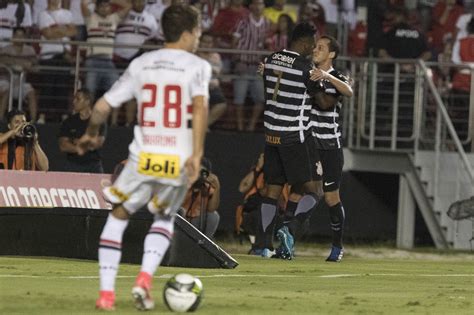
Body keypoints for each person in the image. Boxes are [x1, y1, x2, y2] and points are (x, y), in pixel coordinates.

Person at [76, 4, 211, 311]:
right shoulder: (197, 66)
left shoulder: (142, 63)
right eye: (198, 31)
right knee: (163, 219)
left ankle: (106, 295)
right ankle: (144, 279)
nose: (199, 37)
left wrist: (90, 133)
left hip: (142, 157)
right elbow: (201, 108)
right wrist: (197, 154)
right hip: (176, 159)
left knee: (118, 216)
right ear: (189, 33)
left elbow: (101, 107)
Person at [255, 22, 320, 258]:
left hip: (271, 135)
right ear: (303, 43)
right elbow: (321, 100)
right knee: (312, 191)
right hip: (294, 136)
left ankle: (261, 245)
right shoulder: (305, 67)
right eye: (312, 44)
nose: (313, 48)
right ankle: (288, 229)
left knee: (272, 190)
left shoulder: (271, 59)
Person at [308, 35, 353, 261]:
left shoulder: (336, 77)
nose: (315, 50)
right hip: (308, 143)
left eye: (321, 47)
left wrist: (321, 78)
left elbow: (328, 103)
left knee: (330, 198)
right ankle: (283, 241)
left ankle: (337, 246)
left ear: (332, 54)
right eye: (315, 46)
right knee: (300, 191)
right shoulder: (306, 72)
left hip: (329, 146)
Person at [232, 0, 270, 131]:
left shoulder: (267, 23)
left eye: (261, 3)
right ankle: (240, 127)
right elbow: (234, 41)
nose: (259, 6)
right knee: (239, 99)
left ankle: (251, 126)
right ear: (251, 6)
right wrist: (236, 60)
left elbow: (267, 43)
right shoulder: (243, 21)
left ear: (264, 6)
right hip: (243, 64)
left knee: (260, 97)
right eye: (256, 3)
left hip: (257, 65)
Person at [81, 0, 131, 101]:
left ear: (110, 8)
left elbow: (128, 5)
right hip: (92, 61)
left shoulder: (114, 18)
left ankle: (111, 117)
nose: (104, 8)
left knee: (117, 90)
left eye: (107, 6)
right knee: (89, 93)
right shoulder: (91, 18)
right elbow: (83, 3)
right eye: (101, 6)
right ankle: (86, 117)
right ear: (96, 7)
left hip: (108, 61)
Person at [58, 89, 107, 173]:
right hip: (72, 165)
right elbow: (63, 146)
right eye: (74, 98)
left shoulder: (98, 120)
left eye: (78, 99)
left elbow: (97, 143)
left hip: (94, 165)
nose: (74, 101)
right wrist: (82, 146)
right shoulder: (68, 121)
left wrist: (76, 142)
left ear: (87, 101)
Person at [0, 27, 38, 122]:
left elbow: (34, 64)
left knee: (31, 93)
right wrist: (21, 63)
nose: (19, 38)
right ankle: (0, 119)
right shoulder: (6, 49)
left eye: (22, 36)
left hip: (21, 81)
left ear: (25, 37)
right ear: (13, 36)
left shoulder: (29, 50)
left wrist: (15, 62)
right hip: (6, 80)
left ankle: (33, 121)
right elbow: (3, 60)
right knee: (6, 90)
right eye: (17, 35)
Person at [182, 157, 221, 238]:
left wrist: (217, 187)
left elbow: (211, 209)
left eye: (201, 172)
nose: (198, 175)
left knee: (213, 216)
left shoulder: (207, 187)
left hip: (195, 221)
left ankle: (203, 243)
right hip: (179, 220)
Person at [197, 32, 227, 127]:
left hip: (212, 87)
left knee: (222, 104)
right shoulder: (193, 54)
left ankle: (203, 126)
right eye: (204, 42)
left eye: (209, 42)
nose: (207, 44)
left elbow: (216, 72)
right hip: (197, 86)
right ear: (199, 42)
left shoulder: (215, 56)